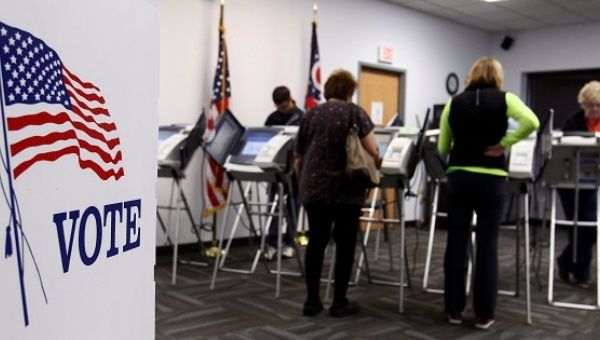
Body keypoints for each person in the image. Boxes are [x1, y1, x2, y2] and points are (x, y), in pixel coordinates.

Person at [437, 57, 539, 330]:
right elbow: (532, 121)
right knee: (487, 245)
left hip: (458, 177)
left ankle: (454, 310)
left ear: (471, 75)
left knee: (456, 244)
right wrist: (503, 144)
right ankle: (484, 314)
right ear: (497, 76)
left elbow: (443, 146)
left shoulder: (454, 102)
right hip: (491, 179)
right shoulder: (506, 99)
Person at [294, 69, 381, 317]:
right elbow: (372, 149)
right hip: (347, 190)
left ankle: (312, 301)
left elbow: (299, 156)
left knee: (316, 243)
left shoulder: (310, 115)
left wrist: (303, 186)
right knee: (344, 245)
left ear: (329, 90)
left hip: (315, 189)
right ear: (349, 92)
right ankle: (339, 302)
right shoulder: (355, 113)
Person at [556, 80, 600, 288]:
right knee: (576, 227)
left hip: (594, 181)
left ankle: (566, 262)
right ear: (583, 104)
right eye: (590, 104)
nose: (594, 109)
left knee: (589, 227)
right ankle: (581, 274)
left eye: (598, 105)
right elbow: (562, 152)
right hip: (570, 181)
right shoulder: (573, 121)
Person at [263, 86, 304, 260]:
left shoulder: (302, 117)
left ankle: (289, 243)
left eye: (284, 106)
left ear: (290, 99)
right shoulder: (272, 118)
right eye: (278, 107)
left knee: (293, 207)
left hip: (295, 171)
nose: (282, 110)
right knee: (273, 207)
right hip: (276, 169)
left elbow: (305, 145)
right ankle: (271, 243)